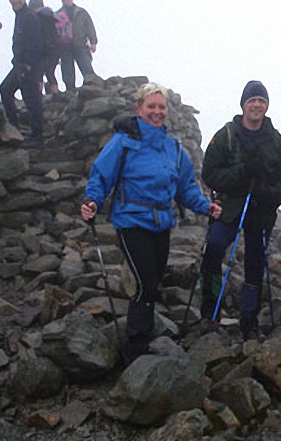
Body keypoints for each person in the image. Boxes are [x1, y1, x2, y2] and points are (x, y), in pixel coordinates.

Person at [81, 82, 222, 364]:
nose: (157, 112)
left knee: (153, 282)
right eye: (151, 107)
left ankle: (143, 337)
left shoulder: (174, 148)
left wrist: (205, 206)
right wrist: (92, 201)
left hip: (161, 224)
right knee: (146, 284)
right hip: (131, 221)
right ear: (139, 109)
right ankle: (136, 349)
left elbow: (186, 188)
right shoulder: (123, 142)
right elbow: (101, 176)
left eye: (161, 107)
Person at [200, 80, 281, 340]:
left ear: (266, 105)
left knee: (255, 262)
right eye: (252, 100)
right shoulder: (226, 134)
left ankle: (249, 318)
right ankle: (209, 311)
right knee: (214, 248)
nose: (257, 105)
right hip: (229, 207)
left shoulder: (276, 141)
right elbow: (210, 174)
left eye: (261, 100)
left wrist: (270, 195)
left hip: (260, 210)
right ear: (243, 105)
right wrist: (243, 172)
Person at [0, 0, 44, 148]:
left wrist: (29, 63)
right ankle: (15, 128)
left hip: (27, 65)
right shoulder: (20, 15)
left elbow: (35, 42)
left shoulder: (29, 16)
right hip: (19, 64)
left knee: (31, 99)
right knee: (5, 89)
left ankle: (37, 137)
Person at [57, 0, 97, 91]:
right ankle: (70, 92)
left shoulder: (81, 12)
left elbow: (89, 27)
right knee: (68, 73)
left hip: (81, 45)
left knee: (87, 69)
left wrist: (93, 42)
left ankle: (93, 88)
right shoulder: (58, 14)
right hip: (65, 47)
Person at [29, 0, 59, 94]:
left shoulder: (38, 18)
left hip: (42, 49)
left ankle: (39, 96)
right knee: (50, 72)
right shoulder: (51, 16)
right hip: (54, 49)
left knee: (39, 73)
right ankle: (56, 94)